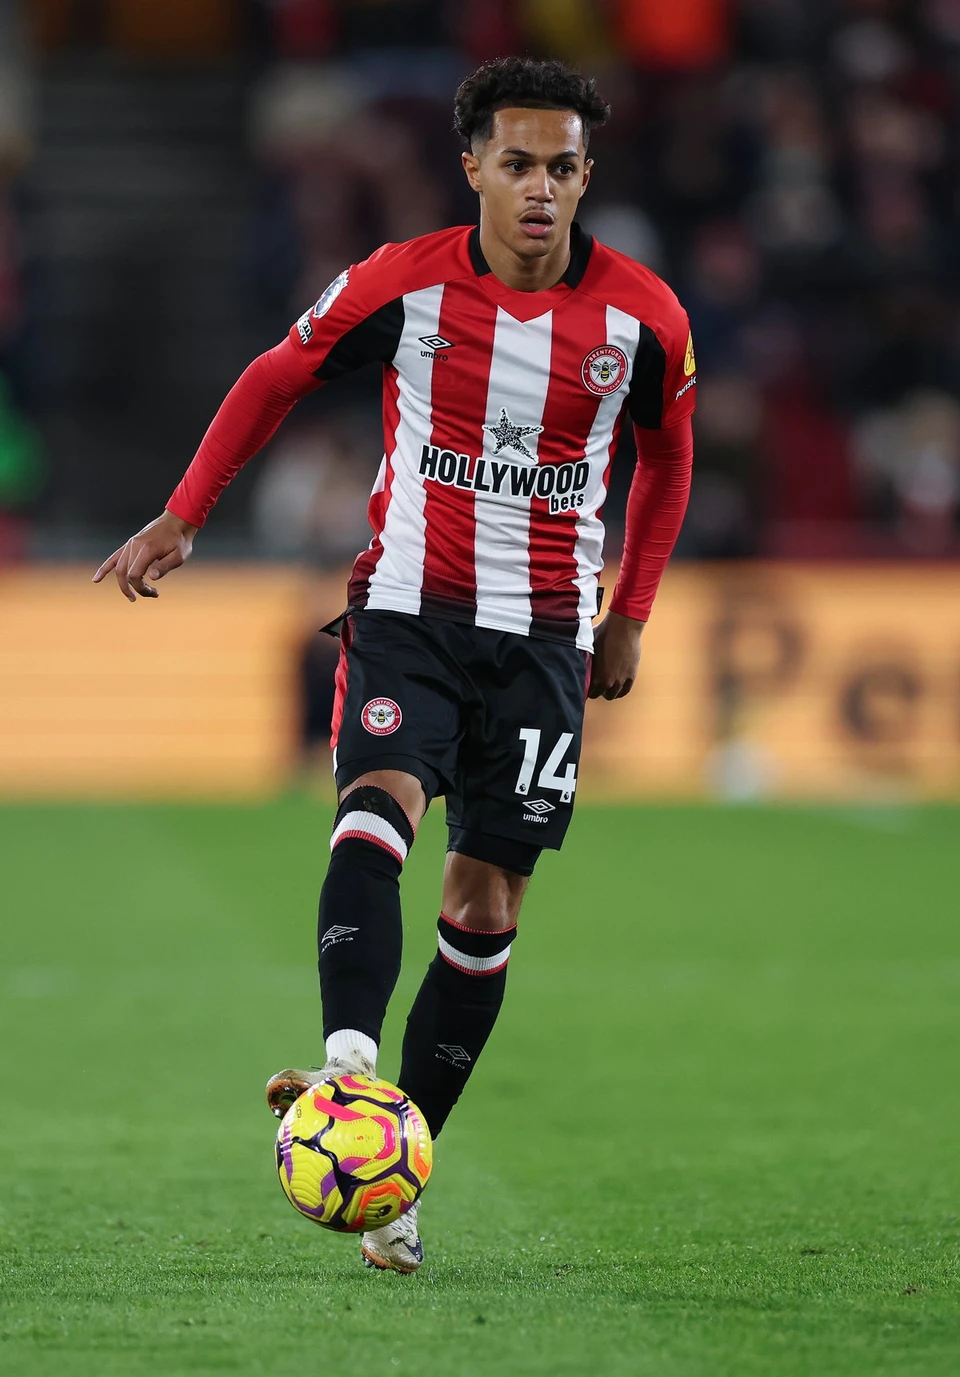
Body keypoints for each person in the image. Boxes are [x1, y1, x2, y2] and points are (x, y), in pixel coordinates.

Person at [93, 57, 696, 1273]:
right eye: (517, 163)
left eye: (562, 167)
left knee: (485, 905)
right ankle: (348, 1073)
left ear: (587, 177)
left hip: (544, 639)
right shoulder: (400, 283)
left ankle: (400, 1165)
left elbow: (668, 457)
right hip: (407, 612)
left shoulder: (645, 319)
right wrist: (184, 513)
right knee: (376, 810)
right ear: (473, 167)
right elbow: (274, 376)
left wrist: (629, 613)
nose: (540, 188)